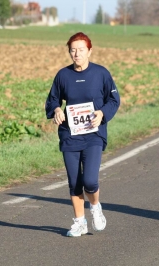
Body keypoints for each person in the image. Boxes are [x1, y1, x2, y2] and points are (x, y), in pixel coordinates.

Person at [45, 32, 120, 237]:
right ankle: (80, 222)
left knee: (90, 181)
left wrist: (102, 113)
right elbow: (52, 100)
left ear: (89, 50)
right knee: (74, 182)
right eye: (72, 50)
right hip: (69, 134)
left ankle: (95, 206)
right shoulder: (63, 75)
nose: (76, 54)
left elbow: (114, 100)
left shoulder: (101, 74)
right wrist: (57, 110)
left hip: (93, 134)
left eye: (80, 50)